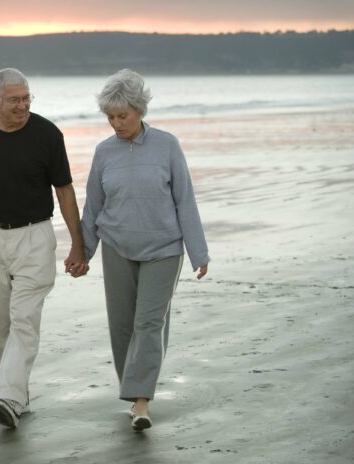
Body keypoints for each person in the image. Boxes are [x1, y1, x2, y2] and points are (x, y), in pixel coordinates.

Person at [0, 68, 88, 429]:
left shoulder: (47, 134)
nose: (22, 106)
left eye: (27, 98)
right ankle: (12, 397)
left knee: (24, 319)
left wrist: (78, 243)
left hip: (34, 237)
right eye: (14, 100)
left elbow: (65, 190)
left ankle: (8, 397)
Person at [80, 69, 210, 432]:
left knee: (149, 323)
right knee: (122, 327)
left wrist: (198, 252)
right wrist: (83, 252)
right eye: (111, 117)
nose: (116, 123)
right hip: (118, 247)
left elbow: (185, 200)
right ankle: (133, 388)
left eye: (123, 116)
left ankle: (141, 401)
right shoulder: (104, 152)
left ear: (140, 110)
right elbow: (93, 206)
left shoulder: (167, 145)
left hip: (164, 249)